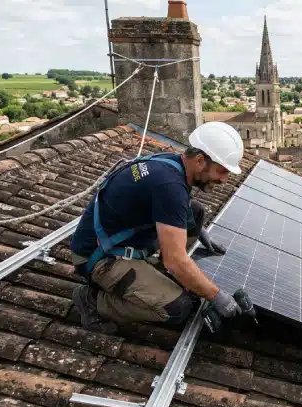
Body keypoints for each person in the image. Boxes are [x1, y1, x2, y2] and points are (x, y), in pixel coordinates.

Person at [70, 122, 245, 334]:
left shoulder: (170, 163)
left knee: (195, 211)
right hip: (100, 257)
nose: (224, 179)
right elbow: (175, 260)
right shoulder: (169, 186)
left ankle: (162, 274)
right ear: (200, 160)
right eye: (222, 171)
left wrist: (196, 228)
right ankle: (92, 301)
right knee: (178, 308)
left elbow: (172, 205)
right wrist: (216, 296)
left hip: (122, 239)